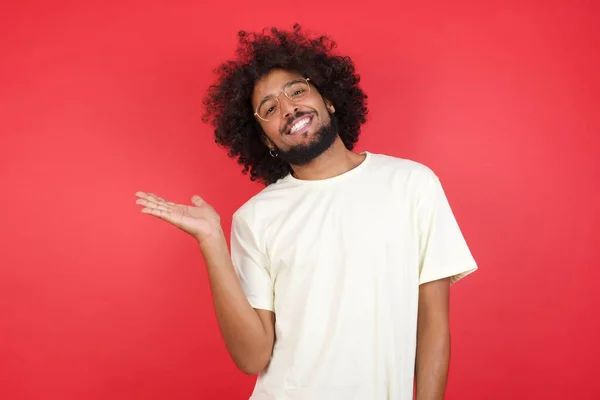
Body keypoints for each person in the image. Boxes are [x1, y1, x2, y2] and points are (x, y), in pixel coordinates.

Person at [135, 24, 477, 400]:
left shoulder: (412, 184)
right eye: (269, 108)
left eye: (297, 91)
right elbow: (252, 357)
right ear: (266, 139)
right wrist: (212, 241)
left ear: (328, 99)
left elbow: (433, 325)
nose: (288, 107)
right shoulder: (255, 218)